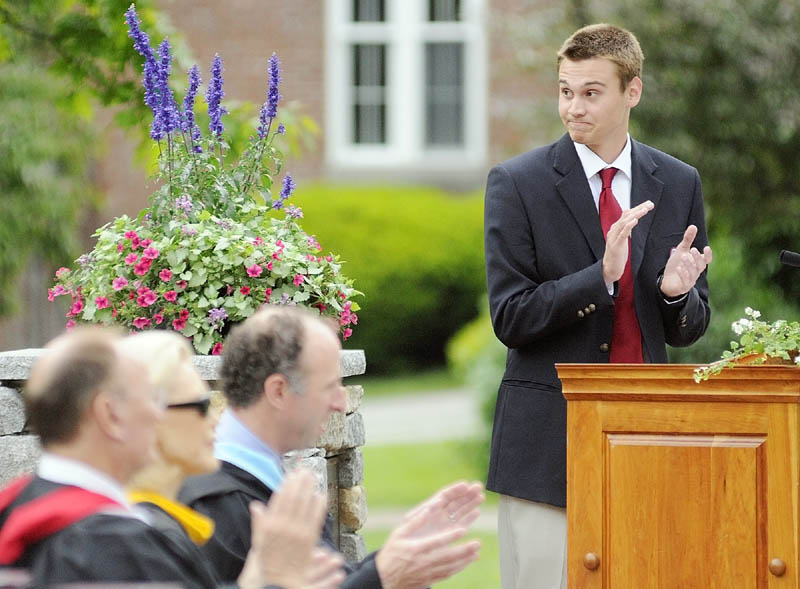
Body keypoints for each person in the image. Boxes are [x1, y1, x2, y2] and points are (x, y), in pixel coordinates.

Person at [483, 23, 713, 589]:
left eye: (591, 92)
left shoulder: (679, 181)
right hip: (549, 446)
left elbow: (689, 328)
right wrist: (599, 278)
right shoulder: (517, 183)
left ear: (632, 91)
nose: (573, 107)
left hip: (648, 433)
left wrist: (677, 294)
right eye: (565, 91)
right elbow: (510, 317)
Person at [0, 327, 336, 588]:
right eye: (149, 399)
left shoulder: (18, 509)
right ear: (110, 415)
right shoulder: (113, 545)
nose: (157, 415)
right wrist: (278, 582)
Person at [180, 305, 484, 588]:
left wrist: (398, 558)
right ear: (278, 391)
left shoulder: (262, 482)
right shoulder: (213, 507)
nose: (341, 402)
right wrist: (383, 575)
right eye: (328, 386)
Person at [122, 330, 344, 588]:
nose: (216, 420)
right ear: (148, 416)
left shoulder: (157, 524)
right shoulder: (127, 535)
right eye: (202, 406)